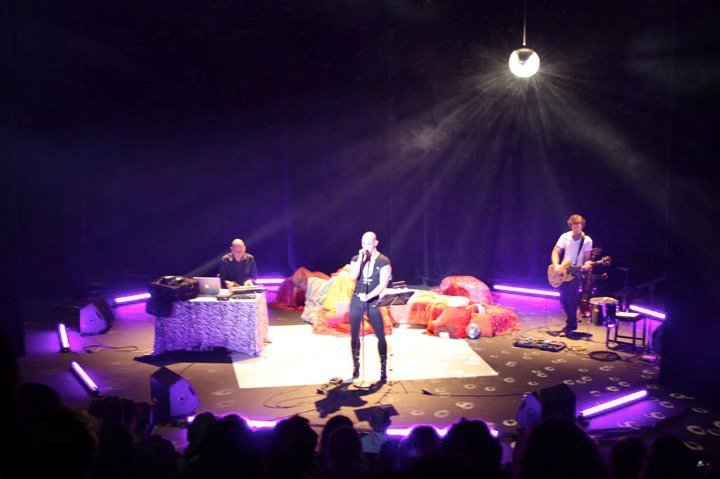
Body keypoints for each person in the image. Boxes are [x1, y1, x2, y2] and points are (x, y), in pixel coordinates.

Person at [348, 231, 392, 382]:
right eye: (363, 243)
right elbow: (353, 276)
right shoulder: (356, 259)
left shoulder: (383, 261)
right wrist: (360, 259)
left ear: (375, 243)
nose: (365, 246)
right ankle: (356, 365)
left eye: (369, 243)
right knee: (354, 334)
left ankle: (383, 367)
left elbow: (383, 284)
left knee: (380, 334)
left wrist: (369, 296)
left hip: (372, 300)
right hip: (356, 300)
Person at [551, 214, 593, 337]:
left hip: (576, 272)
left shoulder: (587, 240)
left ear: (582, 225)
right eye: (574, 227)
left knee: (571, 298)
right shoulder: (565, 237)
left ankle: (570, 325)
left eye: (578, 227)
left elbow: (587, 258)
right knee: (563, 298)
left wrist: (586, 265)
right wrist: (556, 265)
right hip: (563, 271)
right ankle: (572, 321)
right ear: (571, 225)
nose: (576, 229)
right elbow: (555, 251)